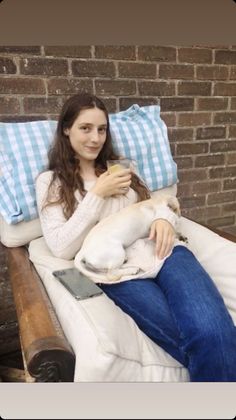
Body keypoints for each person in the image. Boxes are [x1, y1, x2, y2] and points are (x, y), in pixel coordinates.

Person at [36, 92, 236, 382]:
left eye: (101, 129)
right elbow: (61, 247)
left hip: (166, 252)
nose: (95, 138)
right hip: (119, 272)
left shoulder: (123, 167)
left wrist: (164, 220)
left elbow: (153, 204)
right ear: (66, 129)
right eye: (85, 128)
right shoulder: (50, 182)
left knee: (212, 330)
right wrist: (96, 195)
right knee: (203, 341)